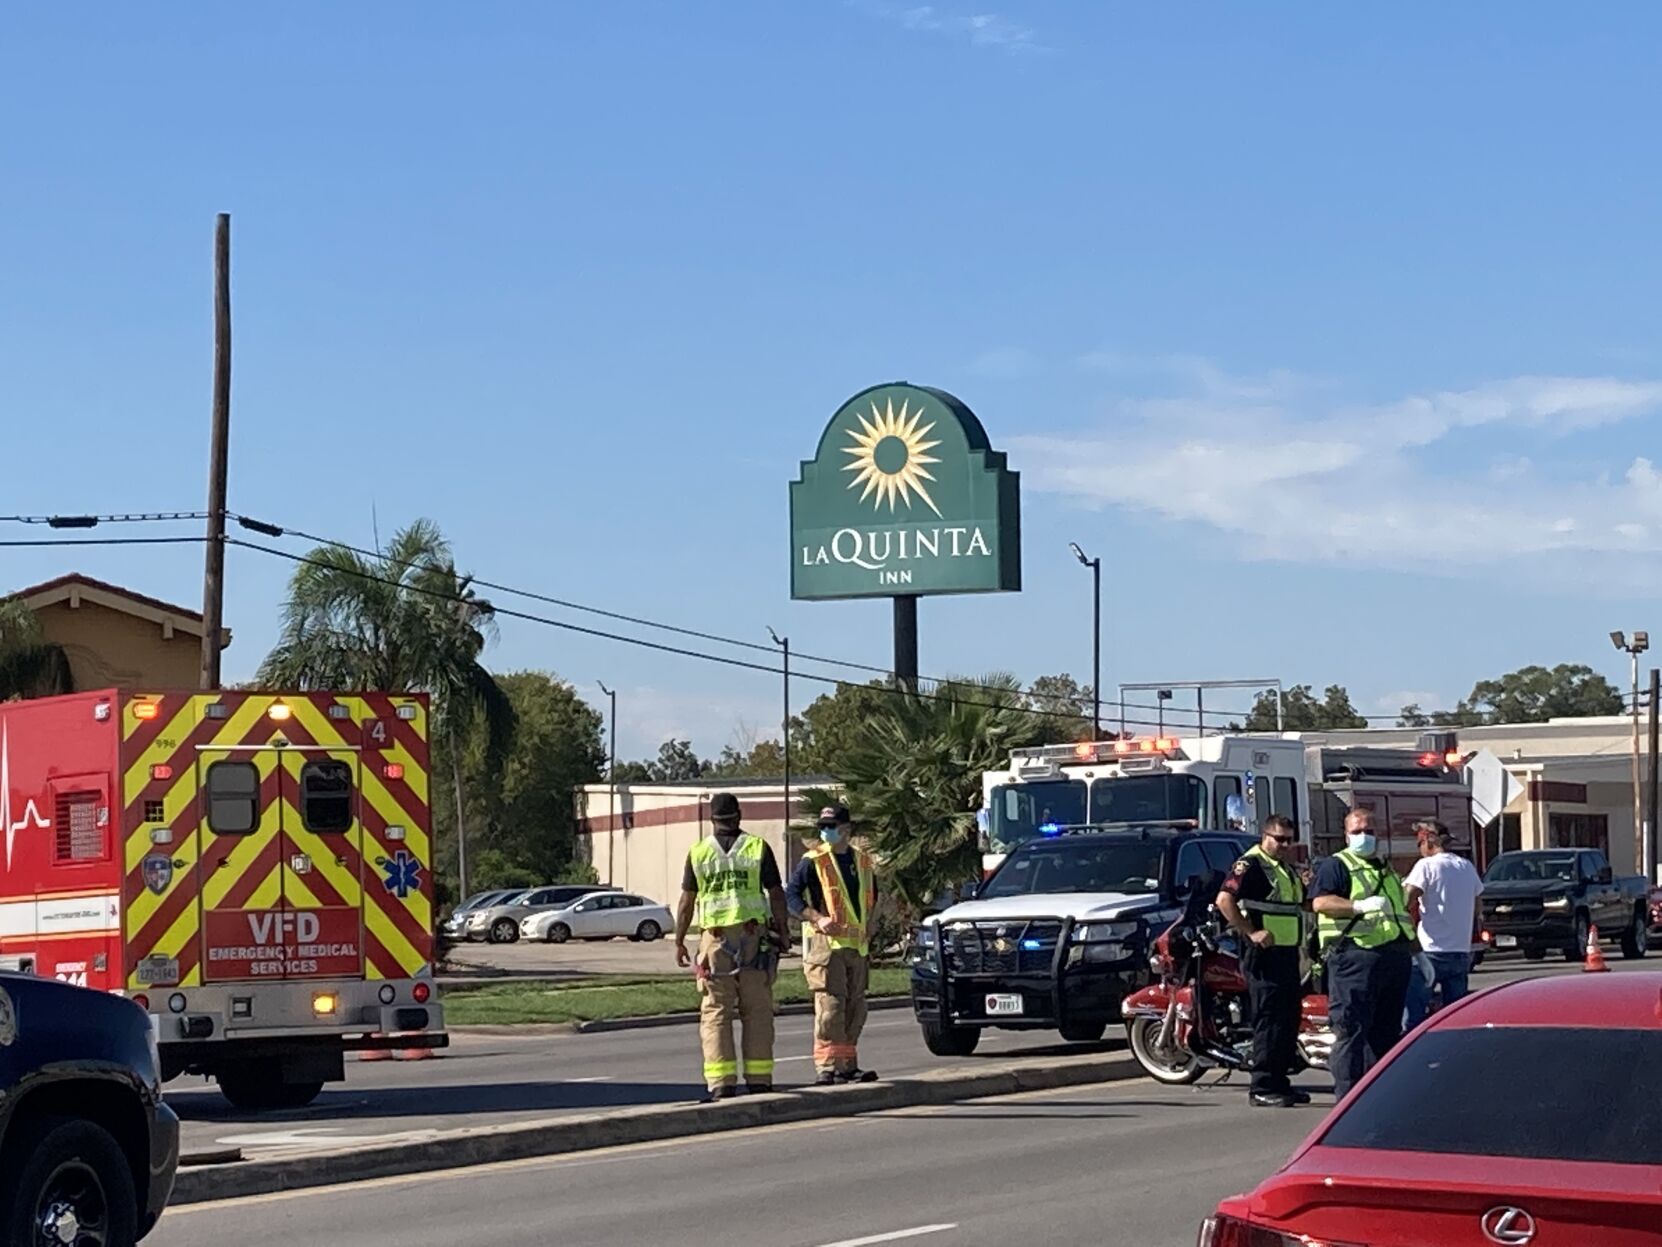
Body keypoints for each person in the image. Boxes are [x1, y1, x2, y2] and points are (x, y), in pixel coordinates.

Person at [673, 792, 790, 1101]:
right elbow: (776, 893)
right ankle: (759, 1080)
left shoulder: (699, 853)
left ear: (712, 820)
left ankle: (722, 1083)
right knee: (757, 1010)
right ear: (739, 816)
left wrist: (679, 940)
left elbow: (687, 902)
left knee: (716, 1012)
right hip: (754, 939)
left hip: (715, 940)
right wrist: (783, 929)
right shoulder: (756, 848)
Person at [1311, 808, 1417, 1101]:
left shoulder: (1385, 868)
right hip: (1354, 957)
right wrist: (1359, 906)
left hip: (1393, 957)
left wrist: (1417, 953)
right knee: (1351, 1030)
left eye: (1369, 831)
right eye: (1357, 831)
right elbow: (1320, 902)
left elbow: (1400, 915)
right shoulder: (1336, 865)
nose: (1364, 837)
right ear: (1346, 835)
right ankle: (1348, 1101)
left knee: (1386, 1032)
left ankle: (1379, 1098)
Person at [1216, 814, 1310, 1108]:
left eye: (1288, 840)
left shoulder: (1285, 868)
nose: (1284, 845)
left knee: (1287, 1018)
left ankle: (1280, 1082)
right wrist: (1251, 932)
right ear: (1264, 836)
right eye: (1278, 839)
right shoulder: (1250, 865)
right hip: (1263, 955)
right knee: (1269, 1019)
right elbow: (1224, 900)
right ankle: (1262, 1085)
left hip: (1286, 953)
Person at [786, 804, 879, 1085]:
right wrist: (816, 917)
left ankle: (848, 1065)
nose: (825, 831)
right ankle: (826, 1067)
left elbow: (872, 897)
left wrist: (872, 925)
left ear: (846, 829)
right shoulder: (814, 860)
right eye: (823, 827)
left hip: (857, 946)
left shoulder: (862, 862)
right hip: (826, 946)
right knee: (830, 1008)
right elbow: (792, 896)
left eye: (831, 826)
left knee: (855, 1009)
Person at [1402, 820, 1485, 1029]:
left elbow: (1405, 901)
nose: (1419, 850)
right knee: (1454, 1018)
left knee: (1414, 1017)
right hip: (1460, 952)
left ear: (1428, 841)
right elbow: (1477, 907)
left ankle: (1414, 1058)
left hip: (1430, 951)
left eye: (1419, 844)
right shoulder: (1466, 867)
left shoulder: (1426, 866)